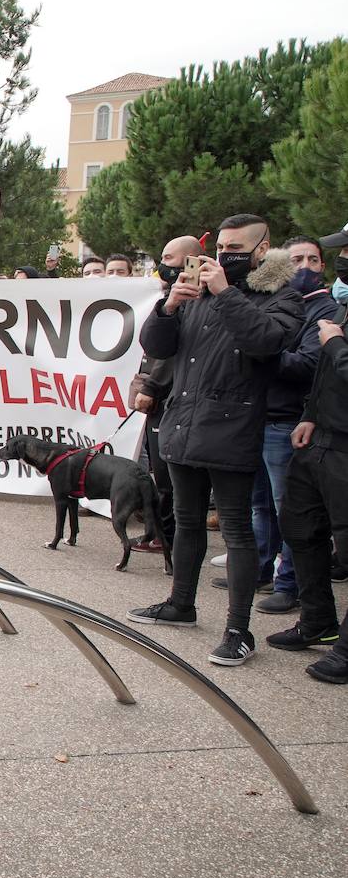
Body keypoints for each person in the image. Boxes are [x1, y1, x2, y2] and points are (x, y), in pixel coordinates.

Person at [127, 214, 304, 666]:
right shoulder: (195, 292)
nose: (223, 255)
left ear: (262, 250)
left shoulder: (280, 294)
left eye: (235, 248)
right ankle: (181, 603)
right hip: (185, 421)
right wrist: (169, 306)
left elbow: (266, 341)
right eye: (220, 246)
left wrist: (225, 293)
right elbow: (157, 346)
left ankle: (238, 630)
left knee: (238, 533)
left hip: (234, 427)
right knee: (186, 522)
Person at [271, 219, 348, 682]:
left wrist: (336, 343)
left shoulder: (335, 324)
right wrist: (311, 417)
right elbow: (329, 378)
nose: (340, 259)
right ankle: (318, 620)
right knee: (299, 527)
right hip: (321, 439)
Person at [131, 236, 204, 558]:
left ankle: (168, 538)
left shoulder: (196, 301)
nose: (164, 264)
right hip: (163, 402)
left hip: (173, 402)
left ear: (192, 261)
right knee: (161, 475)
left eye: (170, 258)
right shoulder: (169, 299)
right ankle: (160, 534)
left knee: (169, 479)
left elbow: (173, 355)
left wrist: (151, 387)